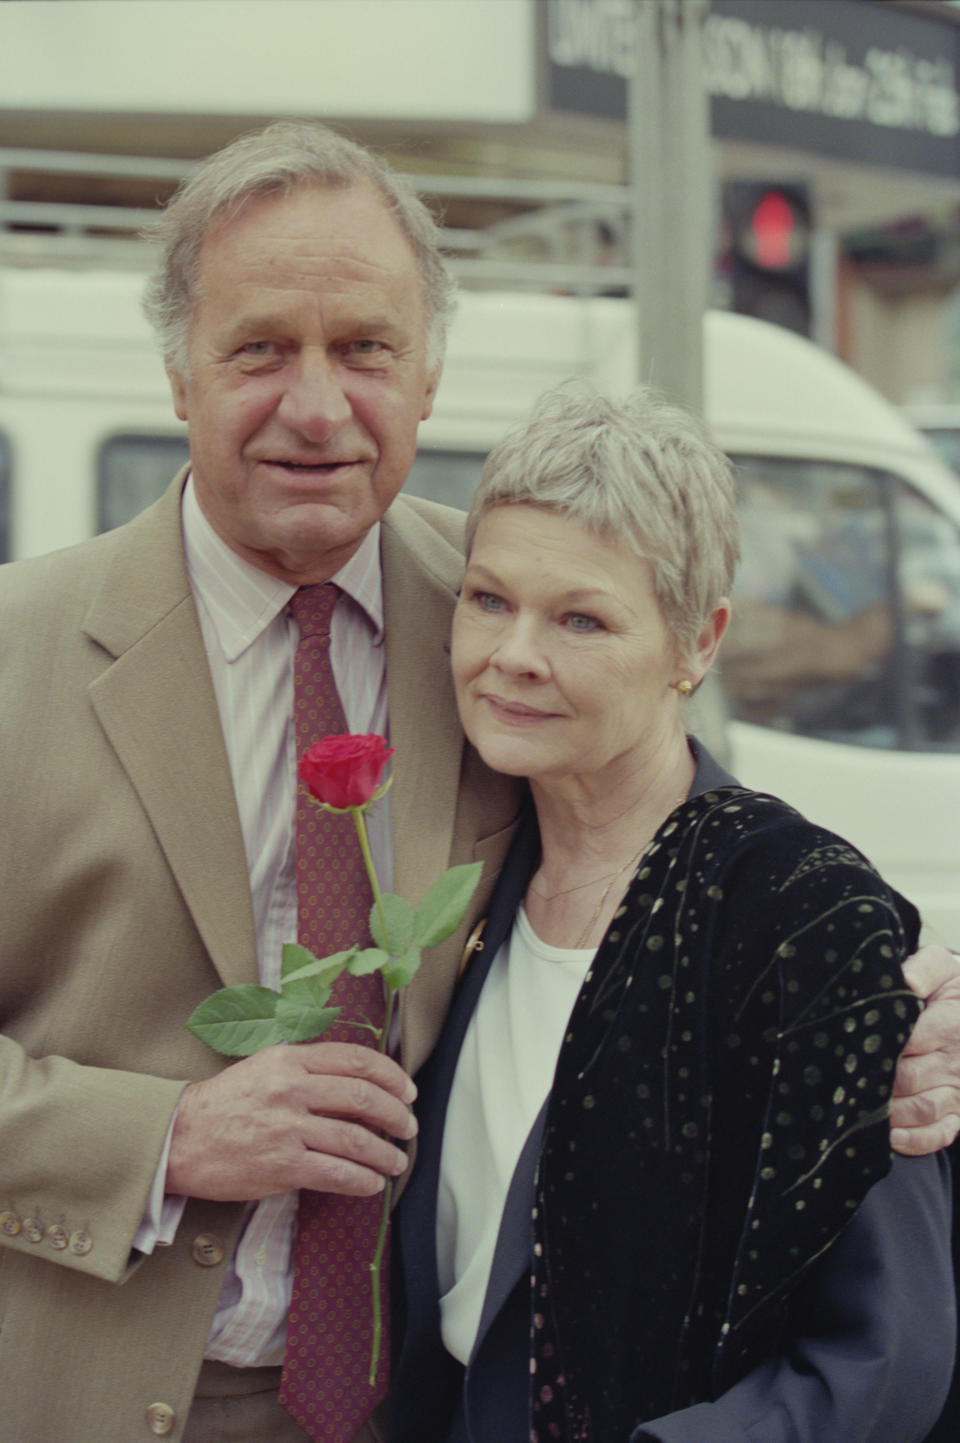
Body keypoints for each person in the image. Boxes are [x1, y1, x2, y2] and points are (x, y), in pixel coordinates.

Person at [0, 118, 954, 1443]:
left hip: (421, 1407)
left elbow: (692, 853)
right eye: (262, 346)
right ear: (178, 369)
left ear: (431, 371)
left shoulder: (504, 604)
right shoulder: (15, 650)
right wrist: (163, 1138)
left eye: (367, 348)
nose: (320, 404)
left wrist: (897, 993)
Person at [389, 382, 957, 1443]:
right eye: (488, 599)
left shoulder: (800, 917)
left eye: (582, 618)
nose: (514, 653)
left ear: (699, 642)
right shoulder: (465, 874)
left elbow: (888, 1355)